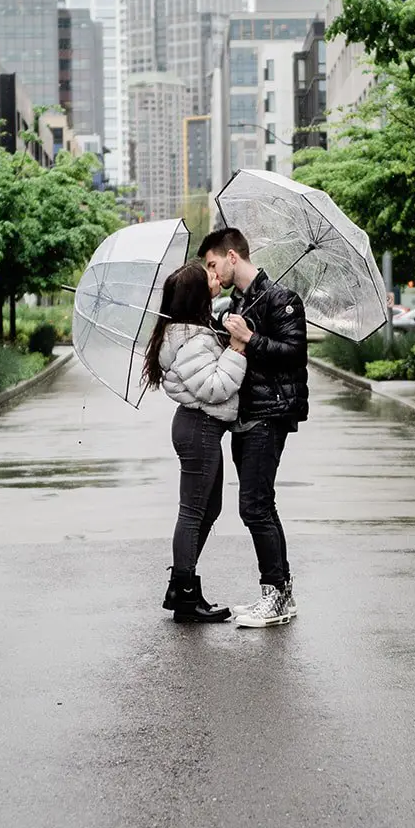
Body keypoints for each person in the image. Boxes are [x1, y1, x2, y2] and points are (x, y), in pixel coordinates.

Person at [197, 227, 308, 628]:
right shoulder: (238, 302)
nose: (213, 273)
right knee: (264, 504)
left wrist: (251, 338)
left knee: (254, 506)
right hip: (244, 417)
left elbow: (295, 354)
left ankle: (274, 594)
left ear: (232, 256)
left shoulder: (282, 299)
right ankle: (282, 595)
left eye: (212, 264)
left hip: (269, 414)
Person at [141, 261, 248, 624]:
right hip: (199, 428)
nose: (217, 278)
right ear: (197, 293)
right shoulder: (193, 339)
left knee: (208, 508)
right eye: (211, 277)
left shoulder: (188, 333)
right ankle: (184, 592)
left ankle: (181, 583)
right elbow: (215, 387)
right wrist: (236, 349)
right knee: (193, 511)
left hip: (198, 428)